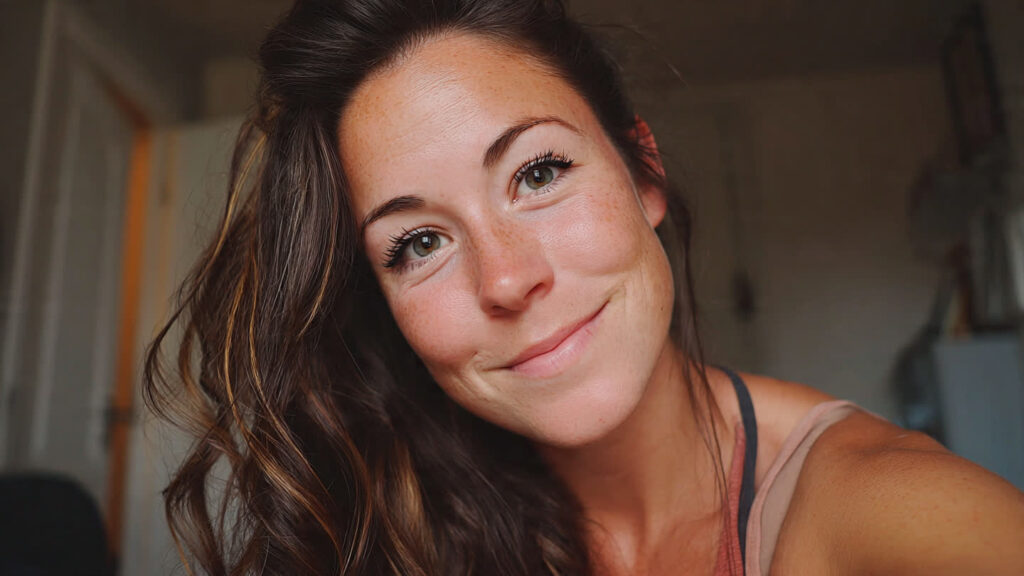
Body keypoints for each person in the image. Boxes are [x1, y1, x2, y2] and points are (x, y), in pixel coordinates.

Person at [143, 0, 1024, 574]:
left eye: (538, 173)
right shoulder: (402, 524)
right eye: (418, 243)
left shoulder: (894, 513)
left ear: (644, 173)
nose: (508, 278)